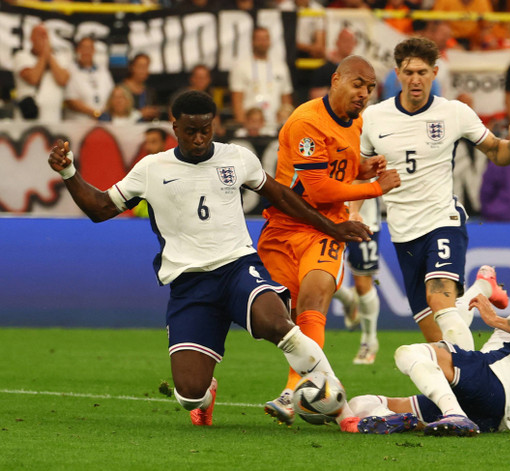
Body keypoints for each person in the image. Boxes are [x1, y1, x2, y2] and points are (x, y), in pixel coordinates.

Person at [47, 90, 371, 428]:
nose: (199, 139)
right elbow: (100, 208)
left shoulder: (237, 158)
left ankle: (345, 414)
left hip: (237, 268)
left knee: (280, 325)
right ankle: (206, 394)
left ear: (214, 125)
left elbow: (283, 197)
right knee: (189, 393)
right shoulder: (151, 168)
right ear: (175, 127)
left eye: (205, 130)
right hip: (190, 284)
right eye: (190, 131)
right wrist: (69, 171)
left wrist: (332, 227)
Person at [257, 55, 402, 425]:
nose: (364, 94)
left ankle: (294, 392)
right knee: (281, 319)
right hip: (284, 230)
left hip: (326, 228)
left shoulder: (353, 123)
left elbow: (335, 170)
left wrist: (360, 168)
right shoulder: (307, 121)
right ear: (336, 80)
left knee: (314, 298)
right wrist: (374, 187)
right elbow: (318, 188)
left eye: (370, 88)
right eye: (358, 85)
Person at [360, 37, 510, 350]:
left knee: (441, 304)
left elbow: (497, 152)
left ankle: (477, 388)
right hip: (402, 232)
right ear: (397, 74)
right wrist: (355, 204)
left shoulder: (454, 113)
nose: (415, 79)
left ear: (435, 73)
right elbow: (358, 169)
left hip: (442, 220)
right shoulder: (373, 118)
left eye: (422, 72)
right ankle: (481, 286)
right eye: (409, 72)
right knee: (439, 337)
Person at [341, 267, 510, 436]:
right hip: (491, 418)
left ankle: (454, 414)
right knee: (361, 404)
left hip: (488, 377)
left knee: (408, 353)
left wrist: (496, 320)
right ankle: (405, 419)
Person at [333, 195, 382, 364]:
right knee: (321, 275)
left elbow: (364, 175)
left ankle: (369, 340)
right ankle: (348, 299)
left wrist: (353, 210)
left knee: (362, 284)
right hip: (328, 214)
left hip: (363, 215)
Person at [229, 27, 293, 133]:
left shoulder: (280, 66)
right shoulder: (240, 66)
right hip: (250, 126)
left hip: (274, 126)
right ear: (252, 41)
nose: (262, 42)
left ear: (270, 41)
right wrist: (242, 124)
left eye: (265, 38)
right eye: (259, 39)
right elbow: (237, 99)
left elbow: (285, 98)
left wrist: (284, 122)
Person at [13, 23, 70, 122]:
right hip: (28, 119)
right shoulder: (21, 56)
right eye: (40, 35)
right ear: (31, 38)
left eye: (45, 35)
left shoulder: (60, 58)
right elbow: (33, 79)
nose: (43, 38)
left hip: (53, 119)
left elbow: (62, 79)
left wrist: (49, 55)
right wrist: (44, 54)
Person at [64, 36, 114, 121]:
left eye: (90, 47)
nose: (86, 51)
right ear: (77, 50)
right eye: (83, 47)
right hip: (78, 123)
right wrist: (95, 113)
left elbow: (112, 94)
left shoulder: (103, 70)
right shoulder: (69, 70)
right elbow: (70, 100)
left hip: (103, 122)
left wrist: (104, 113)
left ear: (94, 50)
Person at [309, 27, 357, 100]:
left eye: (351, 41)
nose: (348, 44)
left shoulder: (359, 70)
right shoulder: (323, 70)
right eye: (345, 41)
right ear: (337, 42)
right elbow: (315, 96)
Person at [120, 53, 162, 122]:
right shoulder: (120, 90)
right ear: (132, 67)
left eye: (147, 67)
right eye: (141, 67)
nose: (144, 71)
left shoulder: (150, 91)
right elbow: (117, 115)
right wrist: (140, 113)